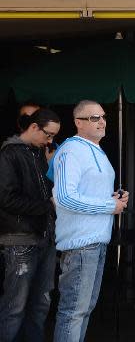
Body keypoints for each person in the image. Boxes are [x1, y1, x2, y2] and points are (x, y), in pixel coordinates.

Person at [52, 100, 129, 342]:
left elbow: (83, 193)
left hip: (95, 242)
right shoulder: (71, 150)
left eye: (103, 117)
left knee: (83, 311)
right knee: (74, 312)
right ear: (78, 122)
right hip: (80, 243)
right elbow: (64, 197)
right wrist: (109, 206)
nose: (102, 121)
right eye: (94, 118)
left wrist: (113, 199)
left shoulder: (95, 149)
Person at [0, 108, 60, 341]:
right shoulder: (9, 153)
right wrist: (48, 206)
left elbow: (42, 188)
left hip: (44, 235)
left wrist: (50, 166)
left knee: (42, 302)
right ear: (33, 127)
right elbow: (6, 198)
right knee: (15, 306)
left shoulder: (38, 153)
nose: (51, 140)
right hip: (20, 238)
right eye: (48, 134)